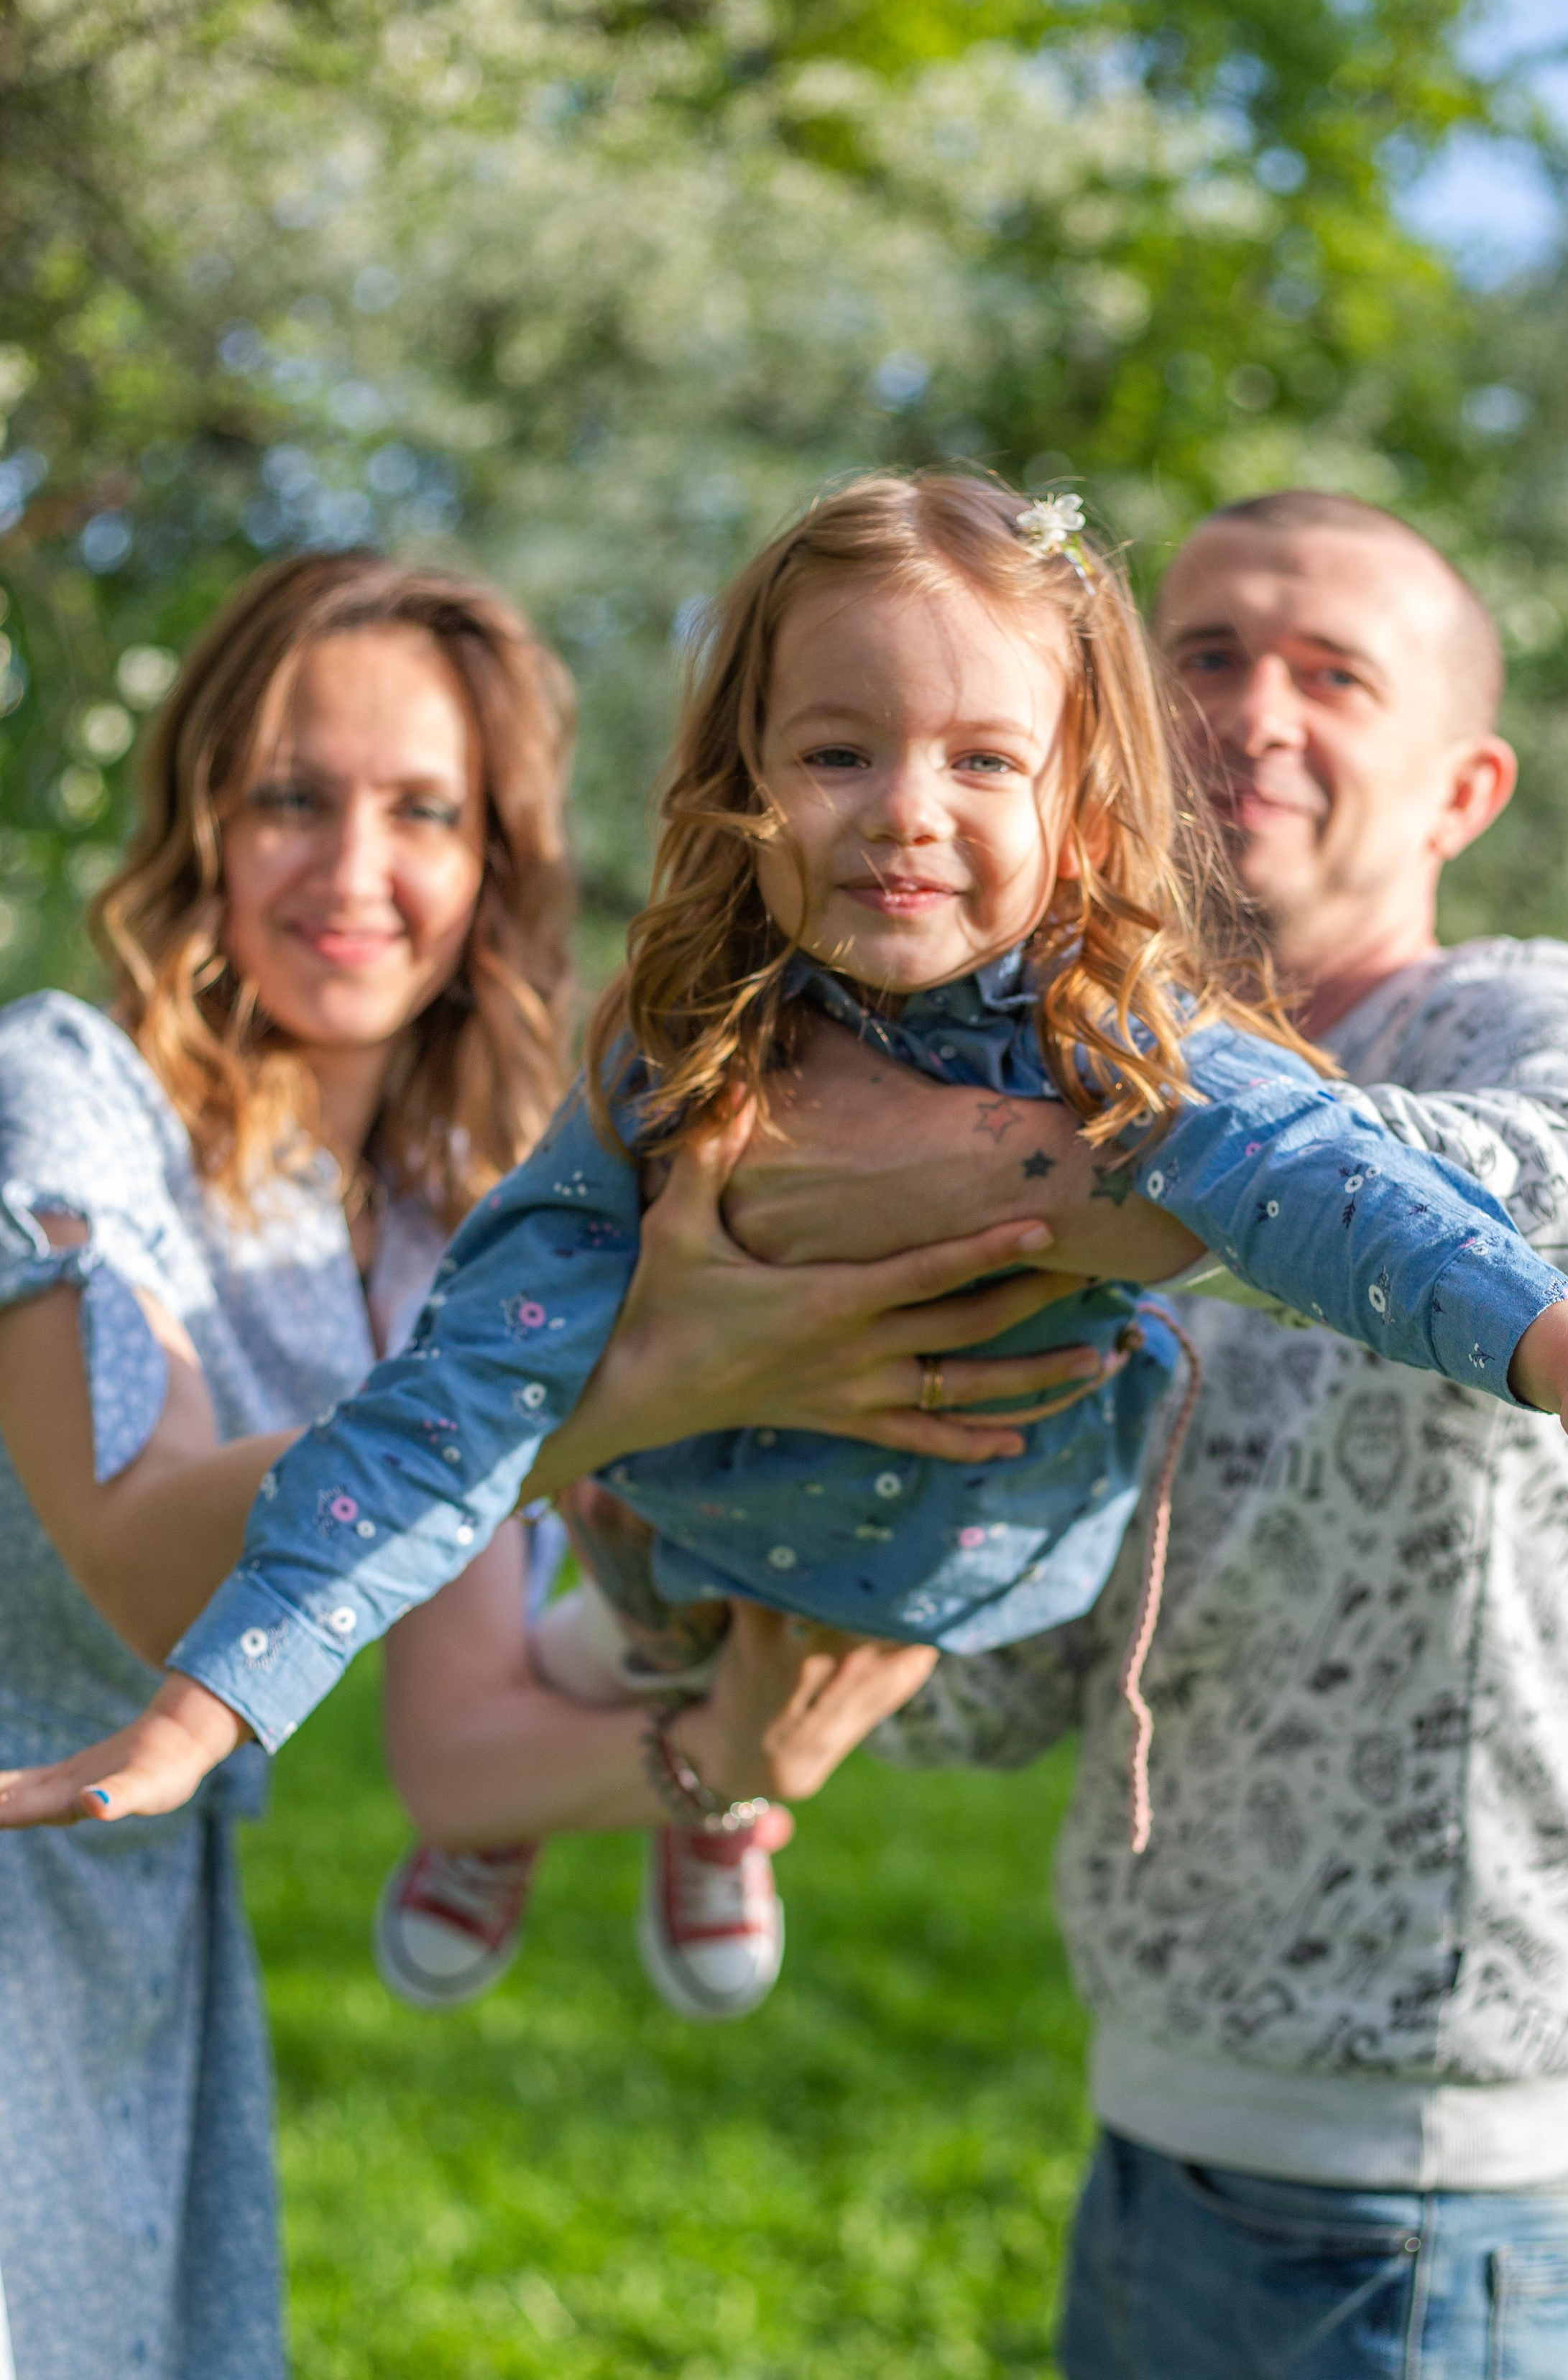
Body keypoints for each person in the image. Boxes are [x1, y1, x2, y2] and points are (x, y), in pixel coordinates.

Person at [9, 473, 1568, 1917]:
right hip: (702, 1568)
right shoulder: (665, 1076)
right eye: (835, 752)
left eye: (980, 761)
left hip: (969, 1593)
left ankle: (692, 1813)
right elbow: (446, 1413)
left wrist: (1552, 1338)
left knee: (716, 1685)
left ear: (1084, 819)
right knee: (622, 1621)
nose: (901, 808)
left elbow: (1330, 1181)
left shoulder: (1127, 1041)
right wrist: (203, 1705)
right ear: (741, 790)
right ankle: (659, 1816)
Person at [722, 489, 1568, 2378]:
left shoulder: (1506, 1016)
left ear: (1461, 793)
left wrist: (1151, 1169)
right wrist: (734, 1578)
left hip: (1419, 2174)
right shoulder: (1060, 1086)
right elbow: (1018, 1681)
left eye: (1334, 673)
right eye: (1203, 656)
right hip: (1160, 2120)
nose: (1254, 710)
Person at [0, 548, 999, 2380]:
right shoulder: (64, 1091)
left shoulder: (454, 1228)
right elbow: (143, 1571)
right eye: (291, 800)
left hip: (138, 1942)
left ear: (495, 866)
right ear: (202, 823)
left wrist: (731, 1759)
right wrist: (613, 1386)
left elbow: (458, 1745)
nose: (355, 872)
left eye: (423, 813)